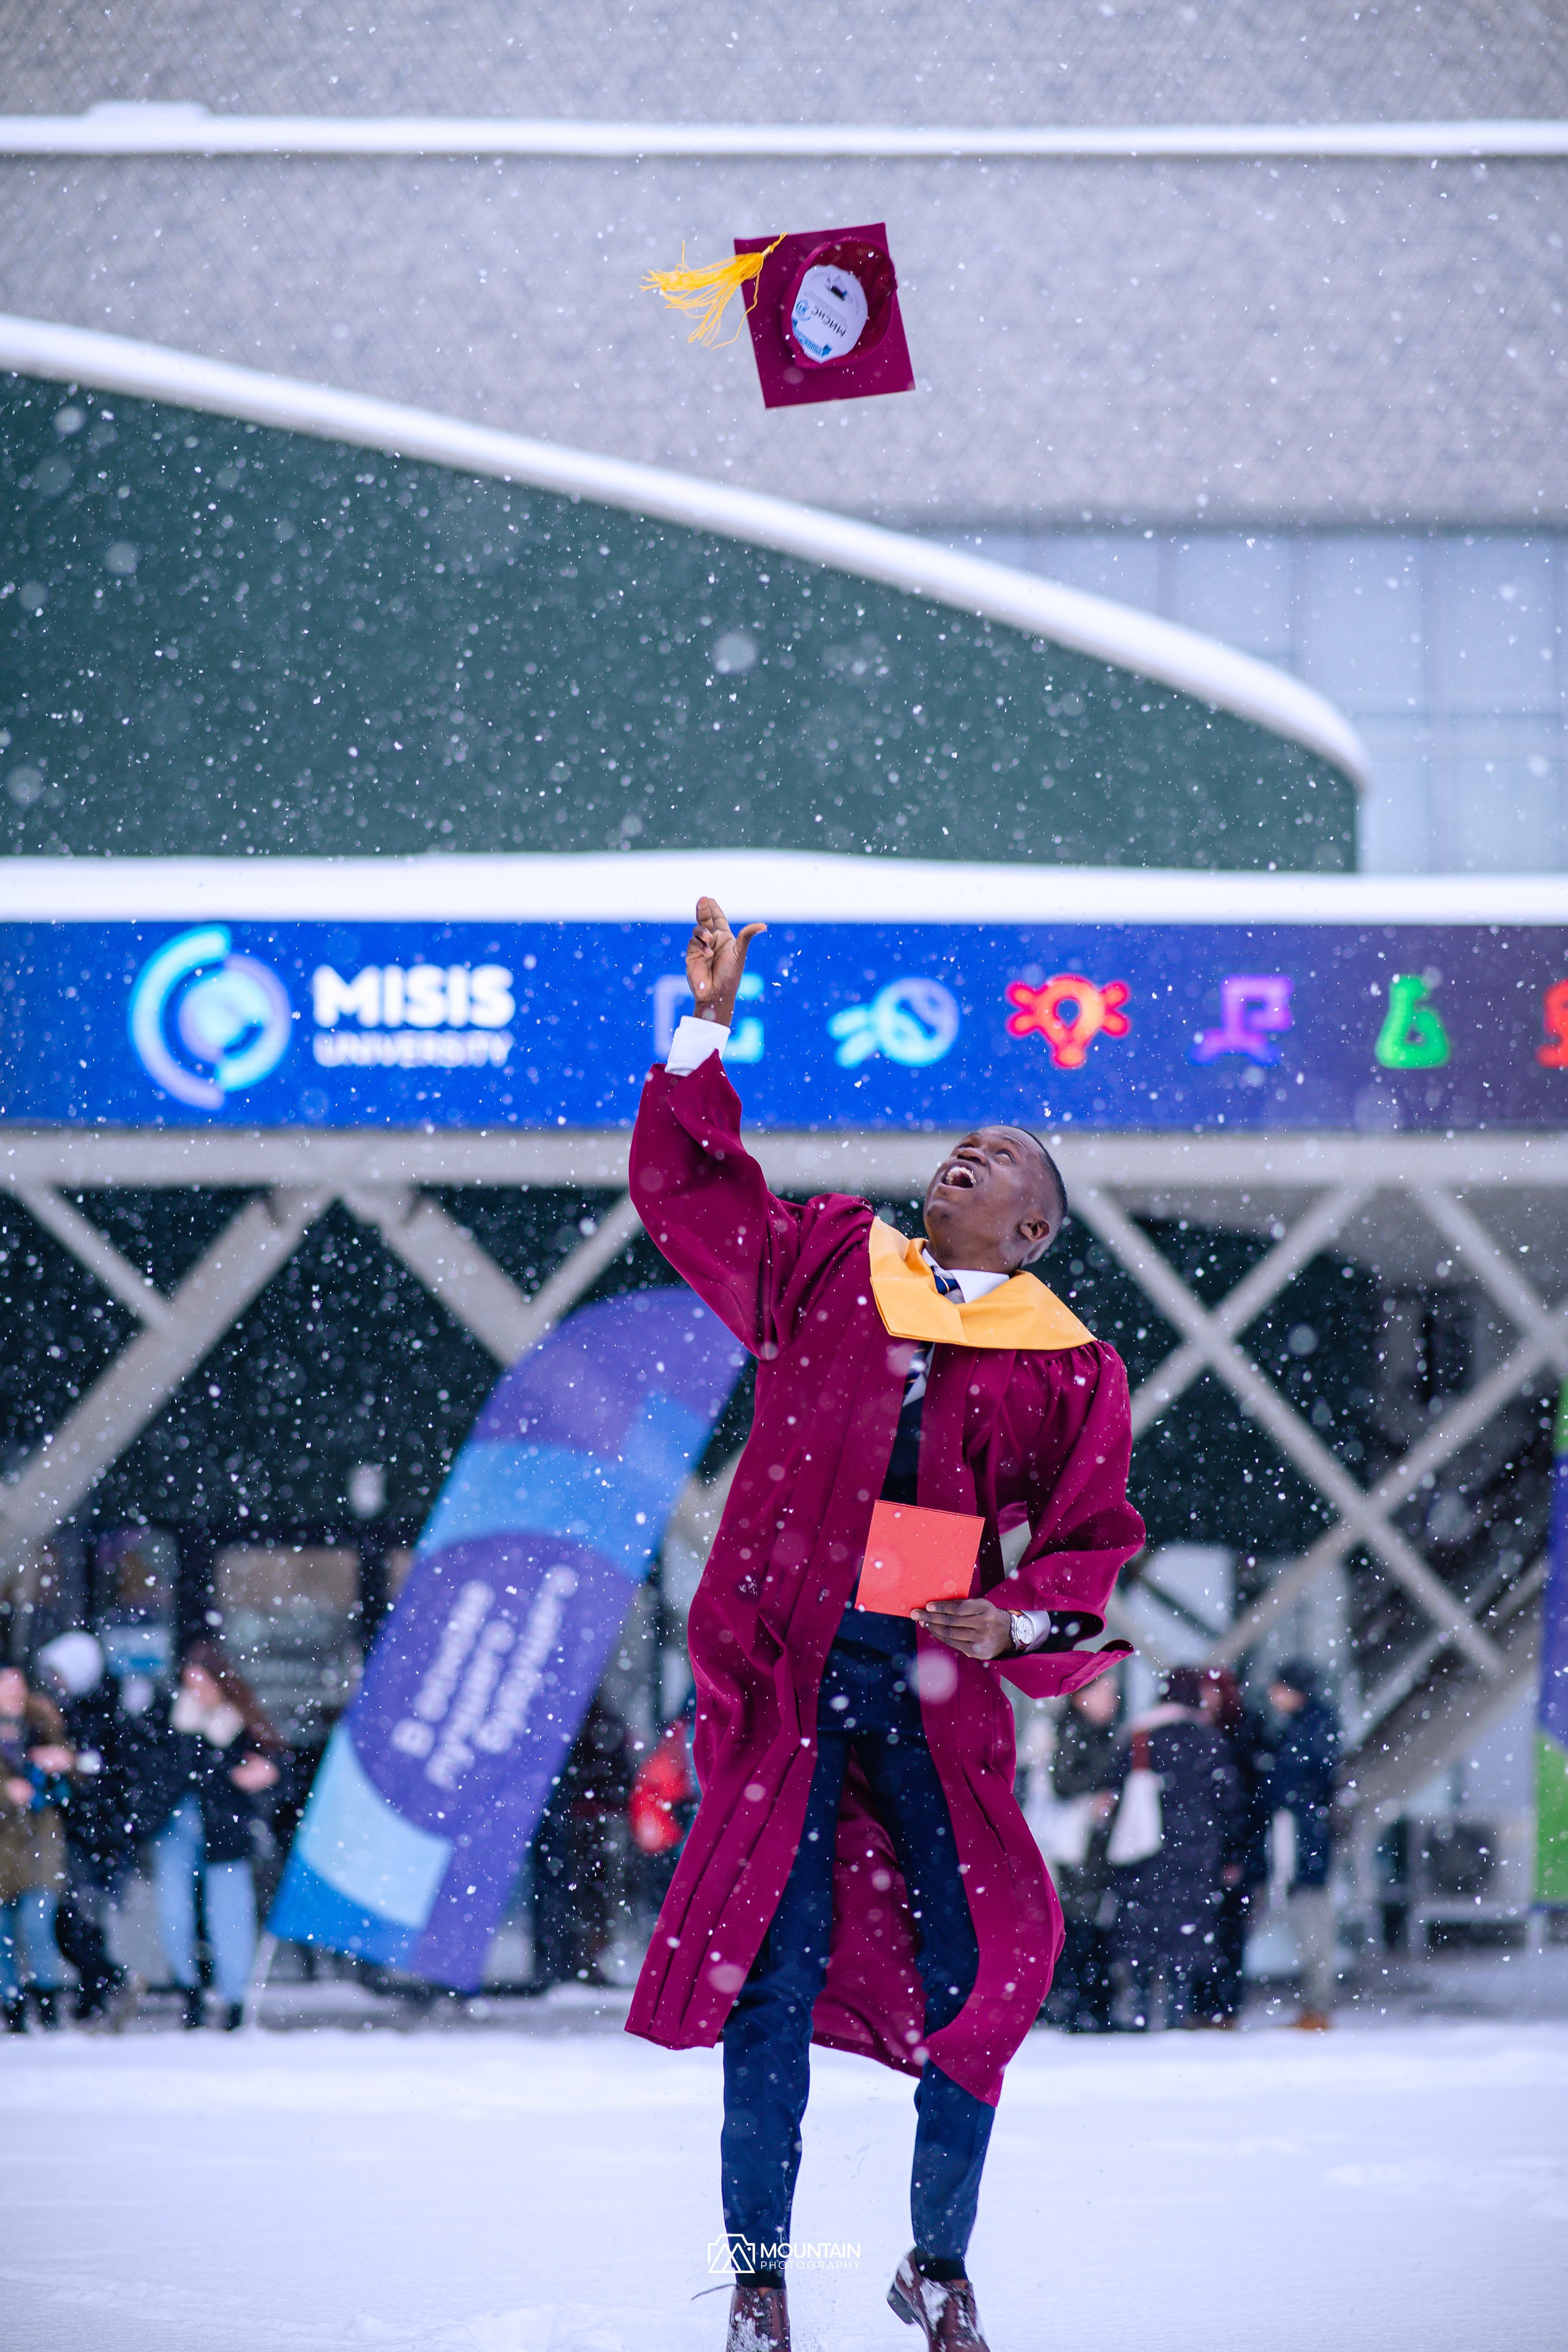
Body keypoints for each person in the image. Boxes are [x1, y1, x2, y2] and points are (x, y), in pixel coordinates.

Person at [624, 899, 1145, 2352]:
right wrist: (703, 1029)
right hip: (784, 1679)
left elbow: (1089, 1542)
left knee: (983, 1963)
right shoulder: (827, 1263)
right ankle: (758, 2280)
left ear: (1030, 1229)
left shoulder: (1066, 1367)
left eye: (999, 1158)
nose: (961, 1153)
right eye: (957, 1144)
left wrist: (1016, 1615)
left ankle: (936, 2260)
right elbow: (690, 1192)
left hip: (928, 1684)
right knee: (764, 1974)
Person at [141, 1642, 282, 2030]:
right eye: (190, 1685)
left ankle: (234, 2000)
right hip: (175, 1827)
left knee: (231, 1918)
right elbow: (153, 1768)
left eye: (202, 1684)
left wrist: (264, 1775)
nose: (196, 1694)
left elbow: (275, 1766)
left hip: (225, 1831)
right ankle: (190, 1992)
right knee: (175, 1916)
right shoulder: (169, 1718)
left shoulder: (240, 1723)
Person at [1109, 1665, 1239, 2031]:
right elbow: (1230, 1801)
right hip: (1198, 1850)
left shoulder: (1141, 1737)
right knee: (1186, 1937)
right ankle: (1177, 2015)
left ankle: (1140, 2013)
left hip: (1148, 1850)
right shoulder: (1209, 1740)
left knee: (1142, 1935)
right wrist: (1229, 1853)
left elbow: (1116, 1790)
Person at [35, 1630, 148, 2029]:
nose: (56, 1684)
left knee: (73, 1919)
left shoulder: (104, 1713)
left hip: (98, 1834)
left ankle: (103, 1987)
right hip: (80, 1831)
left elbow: (109, 1773)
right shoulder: (73, 1709)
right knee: (75, 1920)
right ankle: (101, 1990)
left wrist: (71, 1762)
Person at [1191, 1664, 1272, 2027]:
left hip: (1233, 1850)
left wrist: (1237, 1853)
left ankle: (1225, 2006)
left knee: (1229, 1931)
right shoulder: (1202, 1734)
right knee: (1205, 1930)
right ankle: (1206, 2004)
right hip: (1206, 1850)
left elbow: (1248, 1805)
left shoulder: (1241, 1736)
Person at [1044, 1672, 1123, 2032]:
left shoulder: (1088, 1731)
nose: (1112, 1701)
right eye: (1105, 1692)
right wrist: (1098, 1792)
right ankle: (1083, 2007)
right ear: (1082, 1697)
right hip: (1077, 1847)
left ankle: (1084, 2006)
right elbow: (1062, 1782)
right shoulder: (1073, 1732)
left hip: (1086, 1847)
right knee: (1081, 1923)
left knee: (1086, 1922)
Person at [1266, 1658, 1341, 2029]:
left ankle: (1317, 2007)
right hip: (1307, 1837)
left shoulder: (1306, 1728)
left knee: (1312, 1924)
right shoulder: (1313, 1724)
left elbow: (1298, 1779)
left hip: (1305, 1839)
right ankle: (1315, 2005)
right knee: (1311, 1923)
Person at [0, 1665, 74, 2032]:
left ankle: (46, 2002)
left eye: (17, 1684)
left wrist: (66, 1763)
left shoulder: (43, 1723)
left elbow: (76, 1778)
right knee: (2, 1934)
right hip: (3, 1845)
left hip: (40, 1840)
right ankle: (12, 2006)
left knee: (36, 1924)